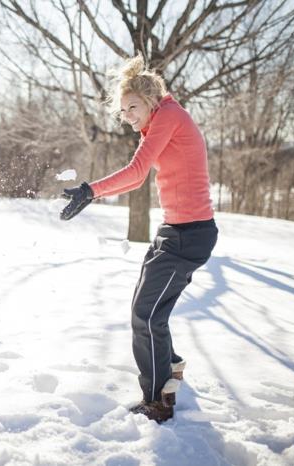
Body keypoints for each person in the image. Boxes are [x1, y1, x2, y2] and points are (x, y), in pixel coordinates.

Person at [60, 56, 218, 423]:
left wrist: (89, 189)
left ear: (150, 100)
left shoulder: (168, 116)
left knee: (146, 315)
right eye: (123, 110)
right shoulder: (163, 120)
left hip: (189, 235)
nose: (127, 116)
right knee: (146, 309)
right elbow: (137, 179)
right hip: (175, 230)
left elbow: (135, 170)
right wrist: (91, 194)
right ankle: (172, 366)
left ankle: (158, 400)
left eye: (133, 107)